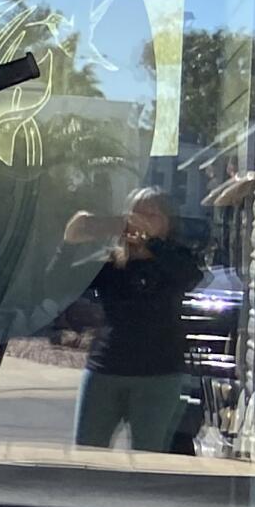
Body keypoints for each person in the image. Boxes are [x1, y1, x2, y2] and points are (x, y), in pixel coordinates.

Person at [59, 188, 201, 454]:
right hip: (105, 372)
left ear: (168, 223)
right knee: (87, 455)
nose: (141, 221)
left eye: (152, 215)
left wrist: (151, 243)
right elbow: (59, 280)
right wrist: (71, 241)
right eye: (135, 215)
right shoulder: (111, 264)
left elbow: (190, 277)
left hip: (159, 376)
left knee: (148, 457)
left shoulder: (177, 259)